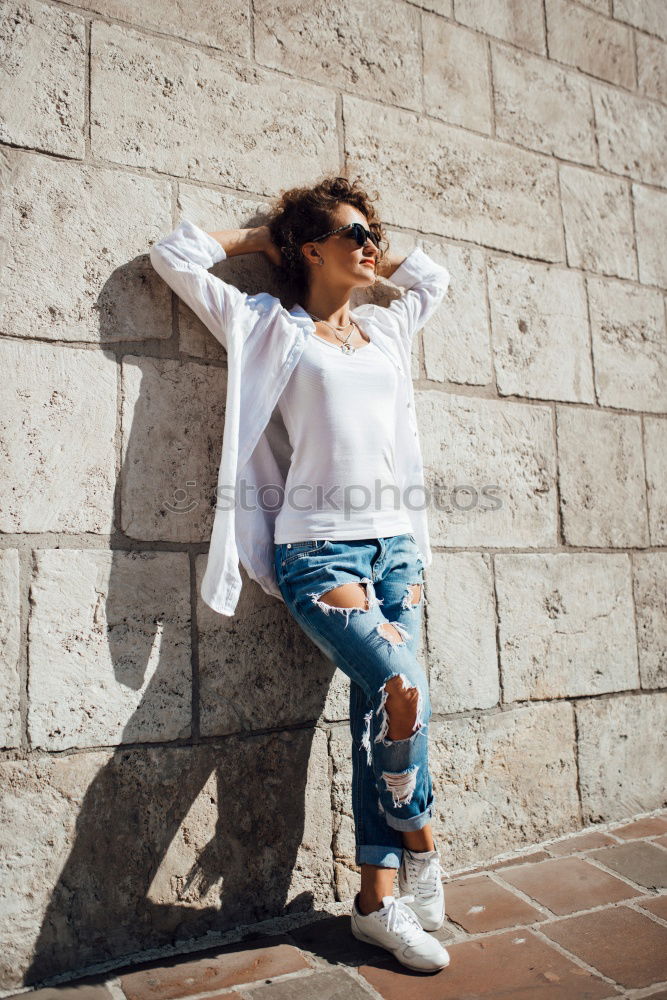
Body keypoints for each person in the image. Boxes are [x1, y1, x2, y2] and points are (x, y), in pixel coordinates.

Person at [149, 174, 451, 973]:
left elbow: (433, 279)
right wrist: (267, 239)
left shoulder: (385, 333)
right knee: (401, 691)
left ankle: (375, 903)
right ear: (311, 248)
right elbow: (176, 256)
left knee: (375, 719)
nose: (370, 245)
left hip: (396, 551)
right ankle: (421, 845)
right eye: (352, 234)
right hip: (319, 552)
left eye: (372, 234)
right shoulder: (266, 328)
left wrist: (369, 262)